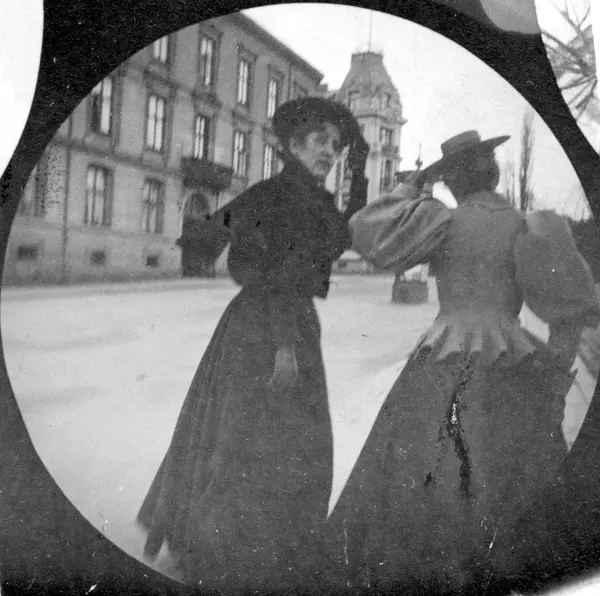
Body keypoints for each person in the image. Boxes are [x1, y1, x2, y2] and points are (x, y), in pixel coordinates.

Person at [325, 130, 600, 594]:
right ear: (493, 173)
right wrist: (554, 374)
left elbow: (366, 229)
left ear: (452, 181)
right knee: (510, 484)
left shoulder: (440, 221)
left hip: (441, 356)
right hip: (511, 361)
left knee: (419, 473)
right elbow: (569, 308)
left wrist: (410, 187)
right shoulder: (530, 225)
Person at [135, 96, 369, 592]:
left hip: (287, 325)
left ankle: (268, 549)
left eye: (335, 144)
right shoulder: (277, 195)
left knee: (283, 441)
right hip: (266, 331)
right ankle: (230, 554)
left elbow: (339, 237)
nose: (330, 151)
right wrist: (283, 344)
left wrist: (360, 171)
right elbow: (257, 265)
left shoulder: (308, 198)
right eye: (319, 141)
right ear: (293, 146)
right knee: (250, 441)